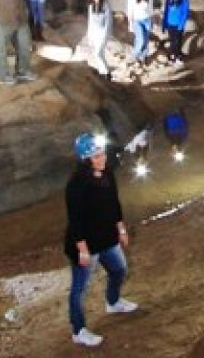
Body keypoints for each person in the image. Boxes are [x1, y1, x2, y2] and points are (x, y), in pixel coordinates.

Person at [64, 132, 139, 347]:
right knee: (80, 289)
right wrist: (83, 250)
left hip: (107, 238)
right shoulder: (76, 185)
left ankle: (113, 302)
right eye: (96, 156)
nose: (102, 158)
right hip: (86, 244)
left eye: (102, 154)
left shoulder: (107, 174)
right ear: (86, 159)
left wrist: (121, 228)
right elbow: (75, 220)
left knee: (119, 270)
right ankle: (78, 330)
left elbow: (114, 203)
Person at [85, 0, 113, 79]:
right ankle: (102, 72)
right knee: (98, 53)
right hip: (95, 33)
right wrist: (89, 35)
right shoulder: (91, 6)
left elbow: (109, 21)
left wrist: (106, 34)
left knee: (98, 53)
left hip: (103, 34)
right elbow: (90, 21)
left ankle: (107, 73)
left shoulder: (105, 4)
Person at [161, 0, 191, 64]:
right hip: (171, 23)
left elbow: (185, 13)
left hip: (178, 24)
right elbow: (166, 11)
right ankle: (173, 55)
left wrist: (181, 25)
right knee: (172, 40)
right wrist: (164, 24)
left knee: (178, 41)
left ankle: (177, 56)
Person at [126, 0, 153, 64]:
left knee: (145, 40)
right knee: (140, 39)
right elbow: (130, 11)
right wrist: (130, 24)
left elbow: (150, 9)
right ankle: (134, 55)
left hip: (147, 20)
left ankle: (143, 57)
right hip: (137, 20)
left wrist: (151, 20)